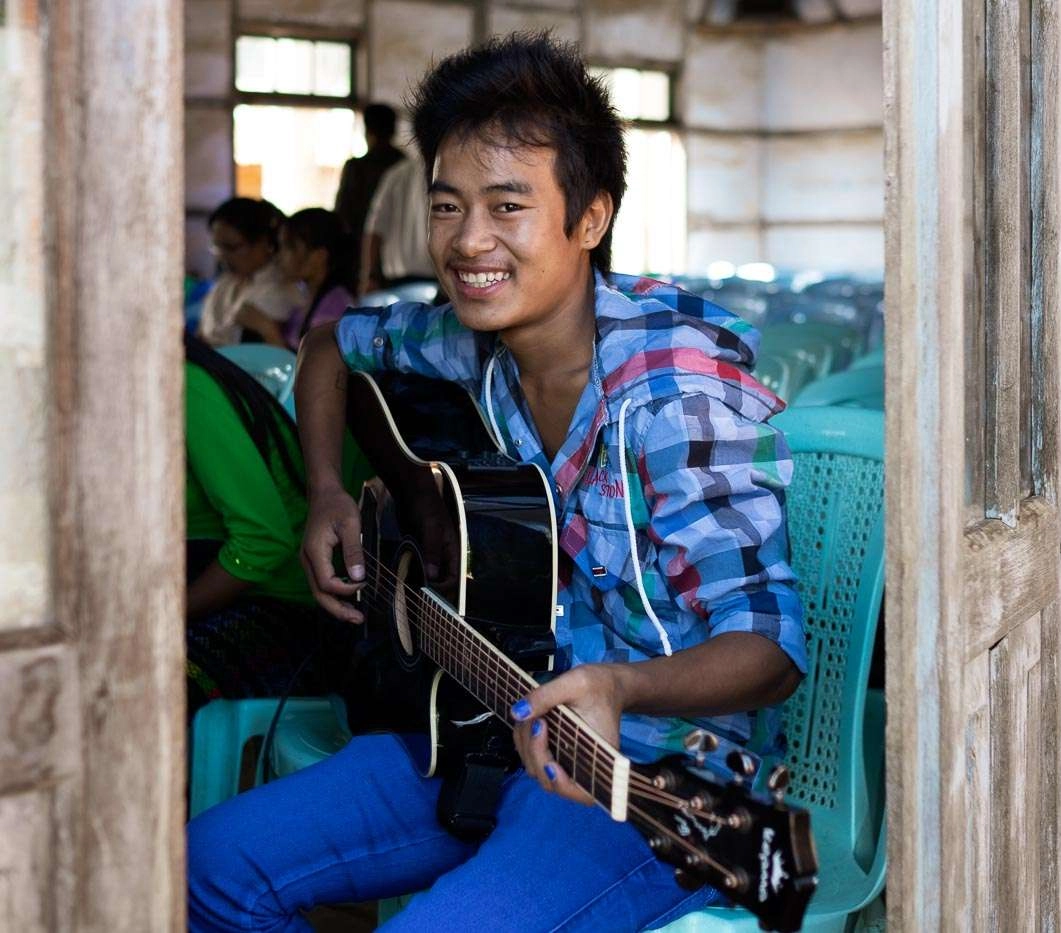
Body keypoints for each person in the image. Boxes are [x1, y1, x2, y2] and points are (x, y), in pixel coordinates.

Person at [187, 33, 807, 932]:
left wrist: (621, 687)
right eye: (448, 206)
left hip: (646, 787)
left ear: (589, 217)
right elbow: (328, 344)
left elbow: (770, 647)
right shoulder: (468, 338)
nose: (469, 240)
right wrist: (326, 491)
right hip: (483, 724)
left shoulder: (673, 395)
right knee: (206, 866)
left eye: (508, 206)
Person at [184, 333, 351, 717]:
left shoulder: (181, 387)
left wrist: (173, 614)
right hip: (218, 590)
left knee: (141, 678)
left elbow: (262, 542)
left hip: (288, 609)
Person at [241, 208, 357, 352]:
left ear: (319, 256)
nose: (279, 257)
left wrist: (267, 329)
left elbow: (314, 371)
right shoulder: (304, 294)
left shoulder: (335, 307)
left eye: (289, 248)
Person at [197, 198, 302, 347]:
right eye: (217, 247)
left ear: (264, 243)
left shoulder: (280, 291)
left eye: (232, 247)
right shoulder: (228, 281)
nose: (222, 257)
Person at [359, 148, 435, 294]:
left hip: (398, 283)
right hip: (434, 281)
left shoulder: (396, 174)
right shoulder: (449, 174)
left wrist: (369, 276)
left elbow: (374, 230)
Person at [334, 102, 405, 244]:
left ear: (368, 131)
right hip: (400, 248)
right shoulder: (406, 166)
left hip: (360, 246)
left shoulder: (356, 167)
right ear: (393, 131)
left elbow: (342, 213)